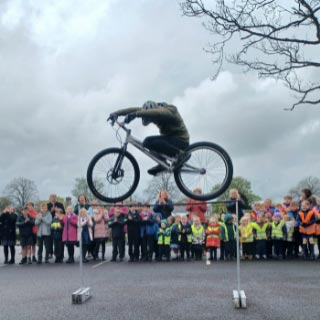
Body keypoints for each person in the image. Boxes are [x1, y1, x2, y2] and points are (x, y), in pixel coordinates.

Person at [108, 101, 190, 175]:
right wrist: (117, 113)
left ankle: (181, 155)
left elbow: (158, 113)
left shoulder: (170, 109)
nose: (153, 121)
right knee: (149, 143)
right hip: (169, 139)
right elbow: (133, 110)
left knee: (149, 142)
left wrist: (136, 114)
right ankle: (162, 164)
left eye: (152, 119)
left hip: (180, 140)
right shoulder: (152, 109)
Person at [47, 193, 65, 259]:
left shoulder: (60, 204)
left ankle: (61, 254)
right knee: (50, 240)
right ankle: (50, 253)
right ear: (50, 197)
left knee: (60, 241)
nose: (53, 197)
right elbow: (45, 213)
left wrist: (58, 210)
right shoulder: (47, 205)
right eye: (52, 196)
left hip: (59, 224)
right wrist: (51, 210)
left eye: (54, 196)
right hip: (50, 224)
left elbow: (64, 213)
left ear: (56, 197)